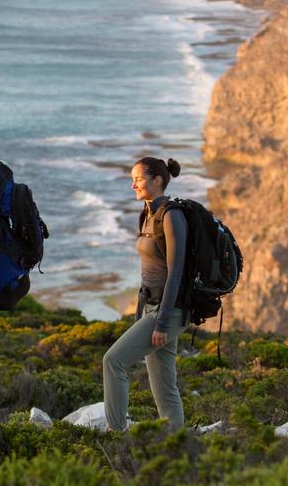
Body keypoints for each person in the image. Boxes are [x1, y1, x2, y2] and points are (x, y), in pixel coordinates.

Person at [103, 156, 188, 431]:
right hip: (151, 308)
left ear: (157, 180)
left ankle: (116, 434)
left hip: (169, 310)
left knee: (113, 361)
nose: (133, 185)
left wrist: (162, 322)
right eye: (132, 180)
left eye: (138, 179)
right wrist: (141, 314)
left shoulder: (172, 216)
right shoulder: (147, 214)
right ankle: (177, 444)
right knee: (165, 386)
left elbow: (176, 273)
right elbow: (148, 272)